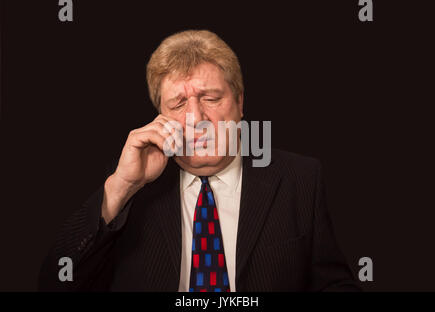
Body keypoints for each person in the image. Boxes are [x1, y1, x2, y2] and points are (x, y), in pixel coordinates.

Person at [38, 30, 359, 292]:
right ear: (159, 117)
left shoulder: (299, 178)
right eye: (178, 104)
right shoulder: (131, 188)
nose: (195, 117)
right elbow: (56, 284)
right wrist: (121, 187)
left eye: (211, 98)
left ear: (239, 103)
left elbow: (335, 285)